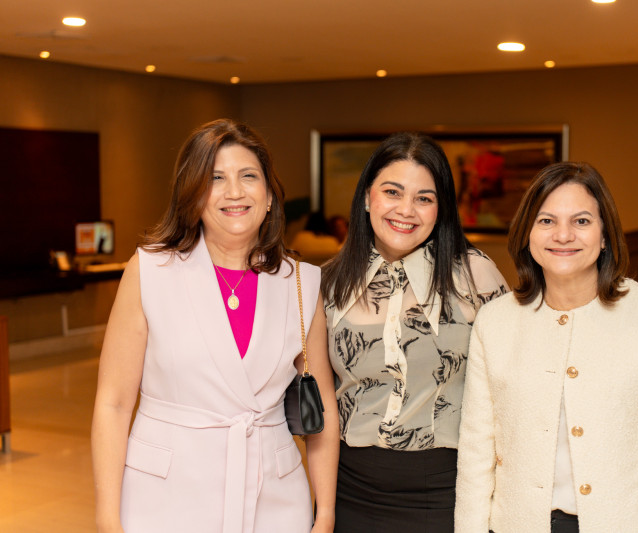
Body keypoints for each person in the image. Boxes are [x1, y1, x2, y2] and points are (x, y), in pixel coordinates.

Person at [91, 119, 339, 533]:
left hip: (274, 499)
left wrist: (325, 513)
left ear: (269, 196)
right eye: (215, 178)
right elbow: (113, 403)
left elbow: (324, 405)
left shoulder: (301, 281)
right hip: (165, 496)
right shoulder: (150, 271)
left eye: (248, 177)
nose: (234, 192)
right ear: (193, 195)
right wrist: (106, 518)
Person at [454, 162, 638, 532]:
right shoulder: (495, 322)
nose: (563, 235)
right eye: (546, 221)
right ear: (528, 233)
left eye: (581, 221)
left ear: (605, 235)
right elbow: (477, 451)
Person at [321, 132, 508, 532]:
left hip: (444, 492)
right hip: (348, 491)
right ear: (368, 195)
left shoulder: (476, 276)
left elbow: (512, 389)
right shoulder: (331, 282)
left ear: (440, 209)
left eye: (424, 198)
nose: (406, 210)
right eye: (392, 192)